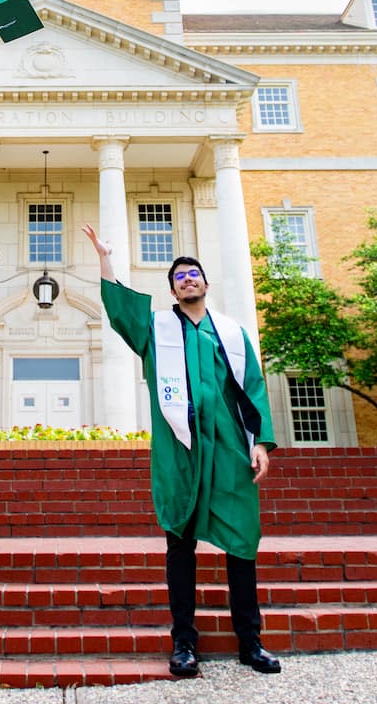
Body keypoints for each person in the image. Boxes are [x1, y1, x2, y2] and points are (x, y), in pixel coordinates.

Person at [80, 222, 281, 678]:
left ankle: (251, 642)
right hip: (179, 449)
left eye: (194, 274)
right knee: (180, 543)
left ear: (205, 284)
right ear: (172, 289)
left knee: (242, 545)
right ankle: (184, 644)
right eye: (180, 277)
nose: (188, 279)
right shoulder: (157, 331)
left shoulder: (230, 333)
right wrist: (106, 257)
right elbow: (120, 310)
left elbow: (252, 389)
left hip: (230, 449)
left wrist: (261, 444)